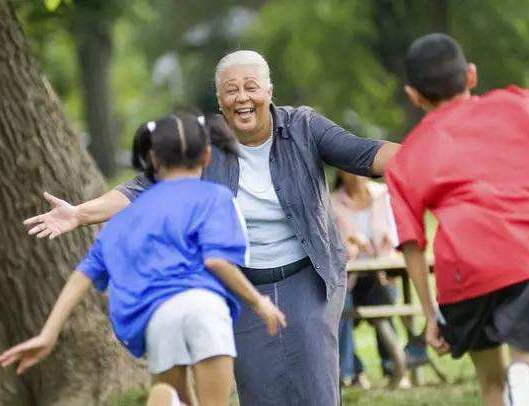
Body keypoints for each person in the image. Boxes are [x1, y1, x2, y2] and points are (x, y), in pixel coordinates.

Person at [22, 50, 400, 406]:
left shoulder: (303, 126)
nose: (242, 98)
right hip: (242, 281)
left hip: (307, 274)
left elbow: (363, 153)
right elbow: (142, 188)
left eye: (251, 87)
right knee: (259, 385)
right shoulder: (206, 140)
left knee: (316, 382)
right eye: (231, 90)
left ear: (269, 91)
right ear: (220, 101)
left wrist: (426, 155)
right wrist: (79, 213)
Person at [0, 113, 287, 406]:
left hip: (159, 317)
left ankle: (172, 401)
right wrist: (258, 301)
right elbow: (217, 261)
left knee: (180, 395)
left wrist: (48, 334)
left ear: (153, 159)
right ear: (207, 156)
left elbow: (82, 275)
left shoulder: (129, 215)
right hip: (205, 308)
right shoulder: (214, 197)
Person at [386, 33, 529, 406]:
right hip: (527, 258)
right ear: (471, 75)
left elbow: (412, 244)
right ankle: (528, 382)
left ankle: (517, 386)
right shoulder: (519, 105)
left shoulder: (406, 158)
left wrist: (430, 315)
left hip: (463, 275)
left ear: (413, 95)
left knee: (491, 384)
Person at [331, 171, 410, 389]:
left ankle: (393, 367)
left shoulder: (384, 195)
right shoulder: (332, 202)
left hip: (383, 273)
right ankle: (350, 372)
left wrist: (385, 245)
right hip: (350, 278)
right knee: (340, 307)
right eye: (349, 171)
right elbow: (332, 245)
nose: (356, 177)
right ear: (340, 173)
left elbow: (399, 233)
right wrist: (351, 245)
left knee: (382, 305)